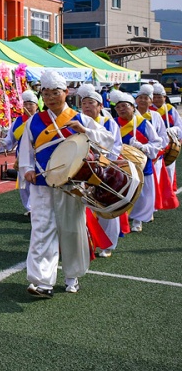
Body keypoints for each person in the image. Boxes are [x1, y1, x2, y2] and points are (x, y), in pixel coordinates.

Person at [18, 71, 103, 297]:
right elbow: (25, 150)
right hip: (41, 183)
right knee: (41, 230)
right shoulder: (34, 121)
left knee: (71, 229)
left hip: (71, 184)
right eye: (45, 94)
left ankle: (72, 276)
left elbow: (107, 142)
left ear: (66, 93)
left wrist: (85, 131)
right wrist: (26, 169)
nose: (50, 98)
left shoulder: (80, 118)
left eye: (55, 93)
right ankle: (42, 281)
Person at [75, 83, 121, 258]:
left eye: (91, 103)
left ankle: (108, 244)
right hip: (82, 170)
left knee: (107, 205)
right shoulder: (78, 120)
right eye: (84, 103)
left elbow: (116, 146)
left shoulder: (109, 123)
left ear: (100, 106)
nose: (86, 107)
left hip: (105, 169)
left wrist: (103, 163)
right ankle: (87, 241)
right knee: (83, 206)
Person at [115, 89, 162, 232]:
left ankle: (138, 220)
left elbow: (157, 142)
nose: (121, 109)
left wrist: (143, 146)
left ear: (133, 107)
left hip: (141, 163)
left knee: (142, 193)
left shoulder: (144, 123)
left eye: (125, 106)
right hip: (121, 163)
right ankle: (121, 219)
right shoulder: (113, 123)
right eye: (118, 107)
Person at [136, 83, 177, 212]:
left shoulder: (157, 115)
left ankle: (148, 211)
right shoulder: (131, 115)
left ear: (150, 100)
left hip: (154, 156)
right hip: (134, 155)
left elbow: (162, 136)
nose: (143, 100)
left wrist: (154, 150)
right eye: (140, 97)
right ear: (136, 100)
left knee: (151, 185)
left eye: (146, 98)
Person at [0, 89, 40, 214]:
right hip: (22, 156)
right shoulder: (18, 121)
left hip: (38, 156)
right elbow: (11, 137)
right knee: (24, 184)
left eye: (30, 104)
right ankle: (29, 208)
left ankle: (36, 208)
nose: (27, 107)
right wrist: (5, 142)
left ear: (37, 106)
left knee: (36, 183)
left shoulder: (40, 119)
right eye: (25, 104)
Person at [152, 82, 181, 210]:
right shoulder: (148, 110)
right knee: (155, 171)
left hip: (168, 145)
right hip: (155, 147)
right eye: (155, 97)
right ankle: (156, 197)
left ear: (165, 97)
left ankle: (168, 195)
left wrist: (172, 131)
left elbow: (180, 127)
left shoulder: (170, 109)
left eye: (160, 97)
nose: (157, 99)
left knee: (169, 169)